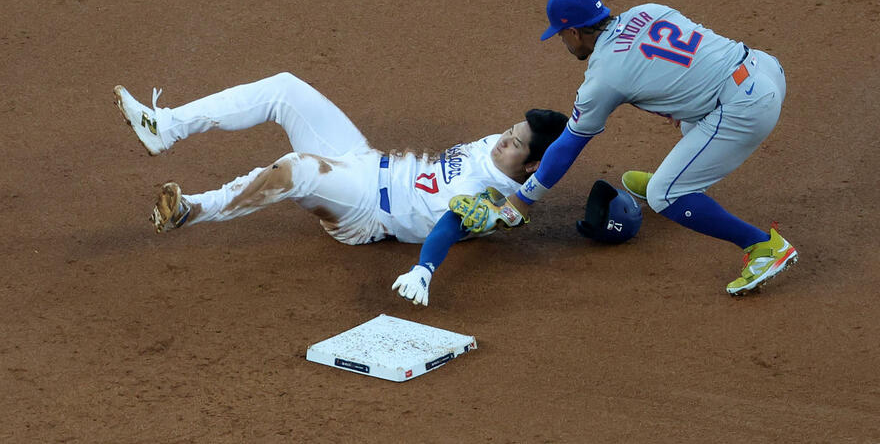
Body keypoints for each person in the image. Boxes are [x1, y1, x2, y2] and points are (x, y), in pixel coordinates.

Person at [451, 0, 798, 296]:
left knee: (666, 195)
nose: (562, 42)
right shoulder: (647, 10)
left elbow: (568, 145)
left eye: (561, 35)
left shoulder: (604, 77)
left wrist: (522, 201)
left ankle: (762, 246)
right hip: (764, 67)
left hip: (745, 107)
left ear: (574, 32)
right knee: (692, 117)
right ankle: (681, 181)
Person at [113, 72, 567, 305]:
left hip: (366, 212)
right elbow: (560, 146)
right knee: (284, 88)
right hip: (368, 161)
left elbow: (451, 223)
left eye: (515, 143)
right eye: (510, 129)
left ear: (529, 165)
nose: (503, 139)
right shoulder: (504, 150)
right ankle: (165, 125)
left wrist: (425, 269)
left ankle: (192, 208)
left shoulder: (493, 199)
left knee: (298, 170)